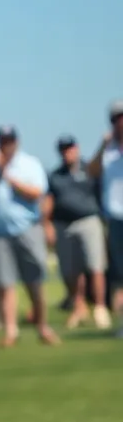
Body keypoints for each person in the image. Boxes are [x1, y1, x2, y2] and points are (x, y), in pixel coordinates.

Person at [0, 125, 57, 347]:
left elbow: (36, 194)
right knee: (5, 284)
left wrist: (8, 176)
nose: (6, 145)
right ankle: (11, 330)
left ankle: (43, 326)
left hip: (27, 229)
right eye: (3, 141)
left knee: (35, 281)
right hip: (0, 233)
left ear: (16, 142)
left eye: (9, 141)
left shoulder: (29, 164)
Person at [46, 135, 110, 330]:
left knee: (95, 266)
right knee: (72, 270)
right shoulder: (55, 175)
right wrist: (47, 225)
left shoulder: (89, 168)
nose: (67, 153)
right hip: (64, 225)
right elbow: (49, 201)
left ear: (77, 148)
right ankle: (79, 306)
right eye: (63, 149)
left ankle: (100, 307)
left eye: (70, 148)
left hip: (89, 221)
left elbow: (101, 187)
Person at [87, 99, 123, 335]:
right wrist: (102, 146)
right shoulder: (107, 150)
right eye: (116, 119)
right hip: (116, 218)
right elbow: (91, 171)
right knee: (120, 275)